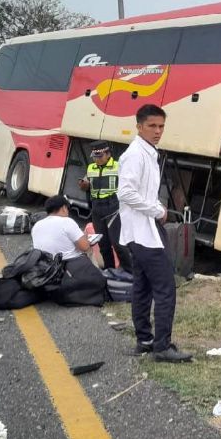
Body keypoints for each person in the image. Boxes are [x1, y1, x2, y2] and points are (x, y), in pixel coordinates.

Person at [118, 104, 192, 363]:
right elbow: (125, 193)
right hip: (141, 232)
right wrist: (156, 210)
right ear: (139, 126)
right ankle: (161, 346)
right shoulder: (135, 154)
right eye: (152, 126)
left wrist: (155, 208)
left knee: (143, 286)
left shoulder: (148, 153)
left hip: (142, 231)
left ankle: (145, 340)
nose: (158, 131)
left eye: (161, 126)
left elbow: (140, 192)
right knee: (166, 288)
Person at [31, 195, 106, 294]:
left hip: (44, 268)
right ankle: (98, 278)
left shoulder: (37, 225)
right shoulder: (67, 222)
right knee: (88, 249)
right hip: (65, 267)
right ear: (63, 208)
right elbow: (84, 247)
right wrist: (85, 239)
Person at [78, 141, 132, 273]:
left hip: (113, 208)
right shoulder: (91, 168)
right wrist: (84, 185)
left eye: (100, 156)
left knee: (117, 243)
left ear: (108, 154)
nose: (97, 159)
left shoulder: (118, 166)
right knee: (103, 244)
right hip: (97, 209)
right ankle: (110, 270)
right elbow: (87, 184)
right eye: (95, 156)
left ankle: (130, 271)